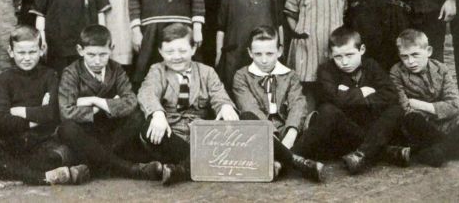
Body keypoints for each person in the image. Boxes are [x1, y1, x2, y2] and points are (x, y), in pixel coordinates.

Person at [293, 27, 407, 175]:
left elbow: (391, 94)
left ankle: (362, 154)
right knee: (328, 110)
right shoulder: (326, 70)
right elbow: (332, 99)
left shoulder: (371, 65)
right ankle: (375, 152)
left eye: (349, 55)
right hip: (343, 130)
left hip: (371, 126)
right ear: (330, 54)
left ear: (362, 49)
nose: (344, 62)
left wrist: (350, 97)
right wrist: (363, 92)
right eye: (338, 57)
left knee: (396, 110)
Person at [0, 25, 90, 185]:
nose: (27, 58)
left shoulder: (50, 76)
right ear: (11, 51)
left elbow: (52, 113)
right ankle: (43, 178)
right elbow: (2, 119)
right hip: (12, 142)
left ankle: (3, 170)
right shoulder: (4, 79)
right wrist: (37, 116)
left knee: (57, 155)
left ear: (41, 50)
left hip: (42, 141)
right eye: (21, 52)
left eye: (32, 52)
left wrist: (19, 111)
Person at [57, 25, 163, 181]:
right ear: (80, 50)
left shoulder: (116, 68)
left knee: (138, 116)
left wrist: (95, 101)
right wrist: (108, 105)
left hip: (111, 131)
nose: (97, 61)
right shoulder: (71, 72)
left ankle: (96, 162)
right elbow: (66, 111)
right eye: (91, 55)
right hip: (87, 131)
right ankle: (130, 169)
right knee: (67, 129)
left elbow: (131, 101)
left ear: (111, 49)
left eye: (103, 54)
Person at [137, 23, 239, 185]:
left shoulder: (206, 72)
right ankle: (202, 164)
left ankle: (181, 170)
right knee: (148, 127)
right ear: (160, 51)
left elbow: (218, 94)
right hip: (171, 135)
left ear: (193, 49)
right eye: (169, 52)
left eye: (182, 51)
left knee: (232, 124)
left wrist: (225, 106)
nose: (176, 56)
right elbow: (147, 91)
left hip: (199, 134)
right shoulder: (157, 70)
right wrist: (157, 113)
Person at [232, 26, 325, 182]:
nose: (264, 60)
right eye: (258, 54)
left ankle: (278, 162)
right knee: (247, 116)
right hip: (260, 133)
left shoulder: (290, 75)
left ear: (280, 51)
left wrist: (290, 135)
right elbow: (249, 107)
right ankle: (297, 161)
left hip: (287, 131)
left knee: (317, 120)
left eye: (269, 53)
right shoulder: (242, 76)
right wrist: (272, 138)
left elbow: (298, 104)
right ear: (249, 53)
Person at [390, 29, 459, 166]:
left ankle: (439, 150)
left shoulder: (441, 68)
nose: (410, 61)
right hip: (422, 126)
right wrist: (431, 108)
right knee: (411, 119)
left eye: (415, 54)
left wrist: (421, 105)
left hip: (447, 122)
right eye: (404, 56)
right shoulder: (396, 72)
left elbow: (455, 105)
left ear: (429, 51)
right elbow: (406, 108)